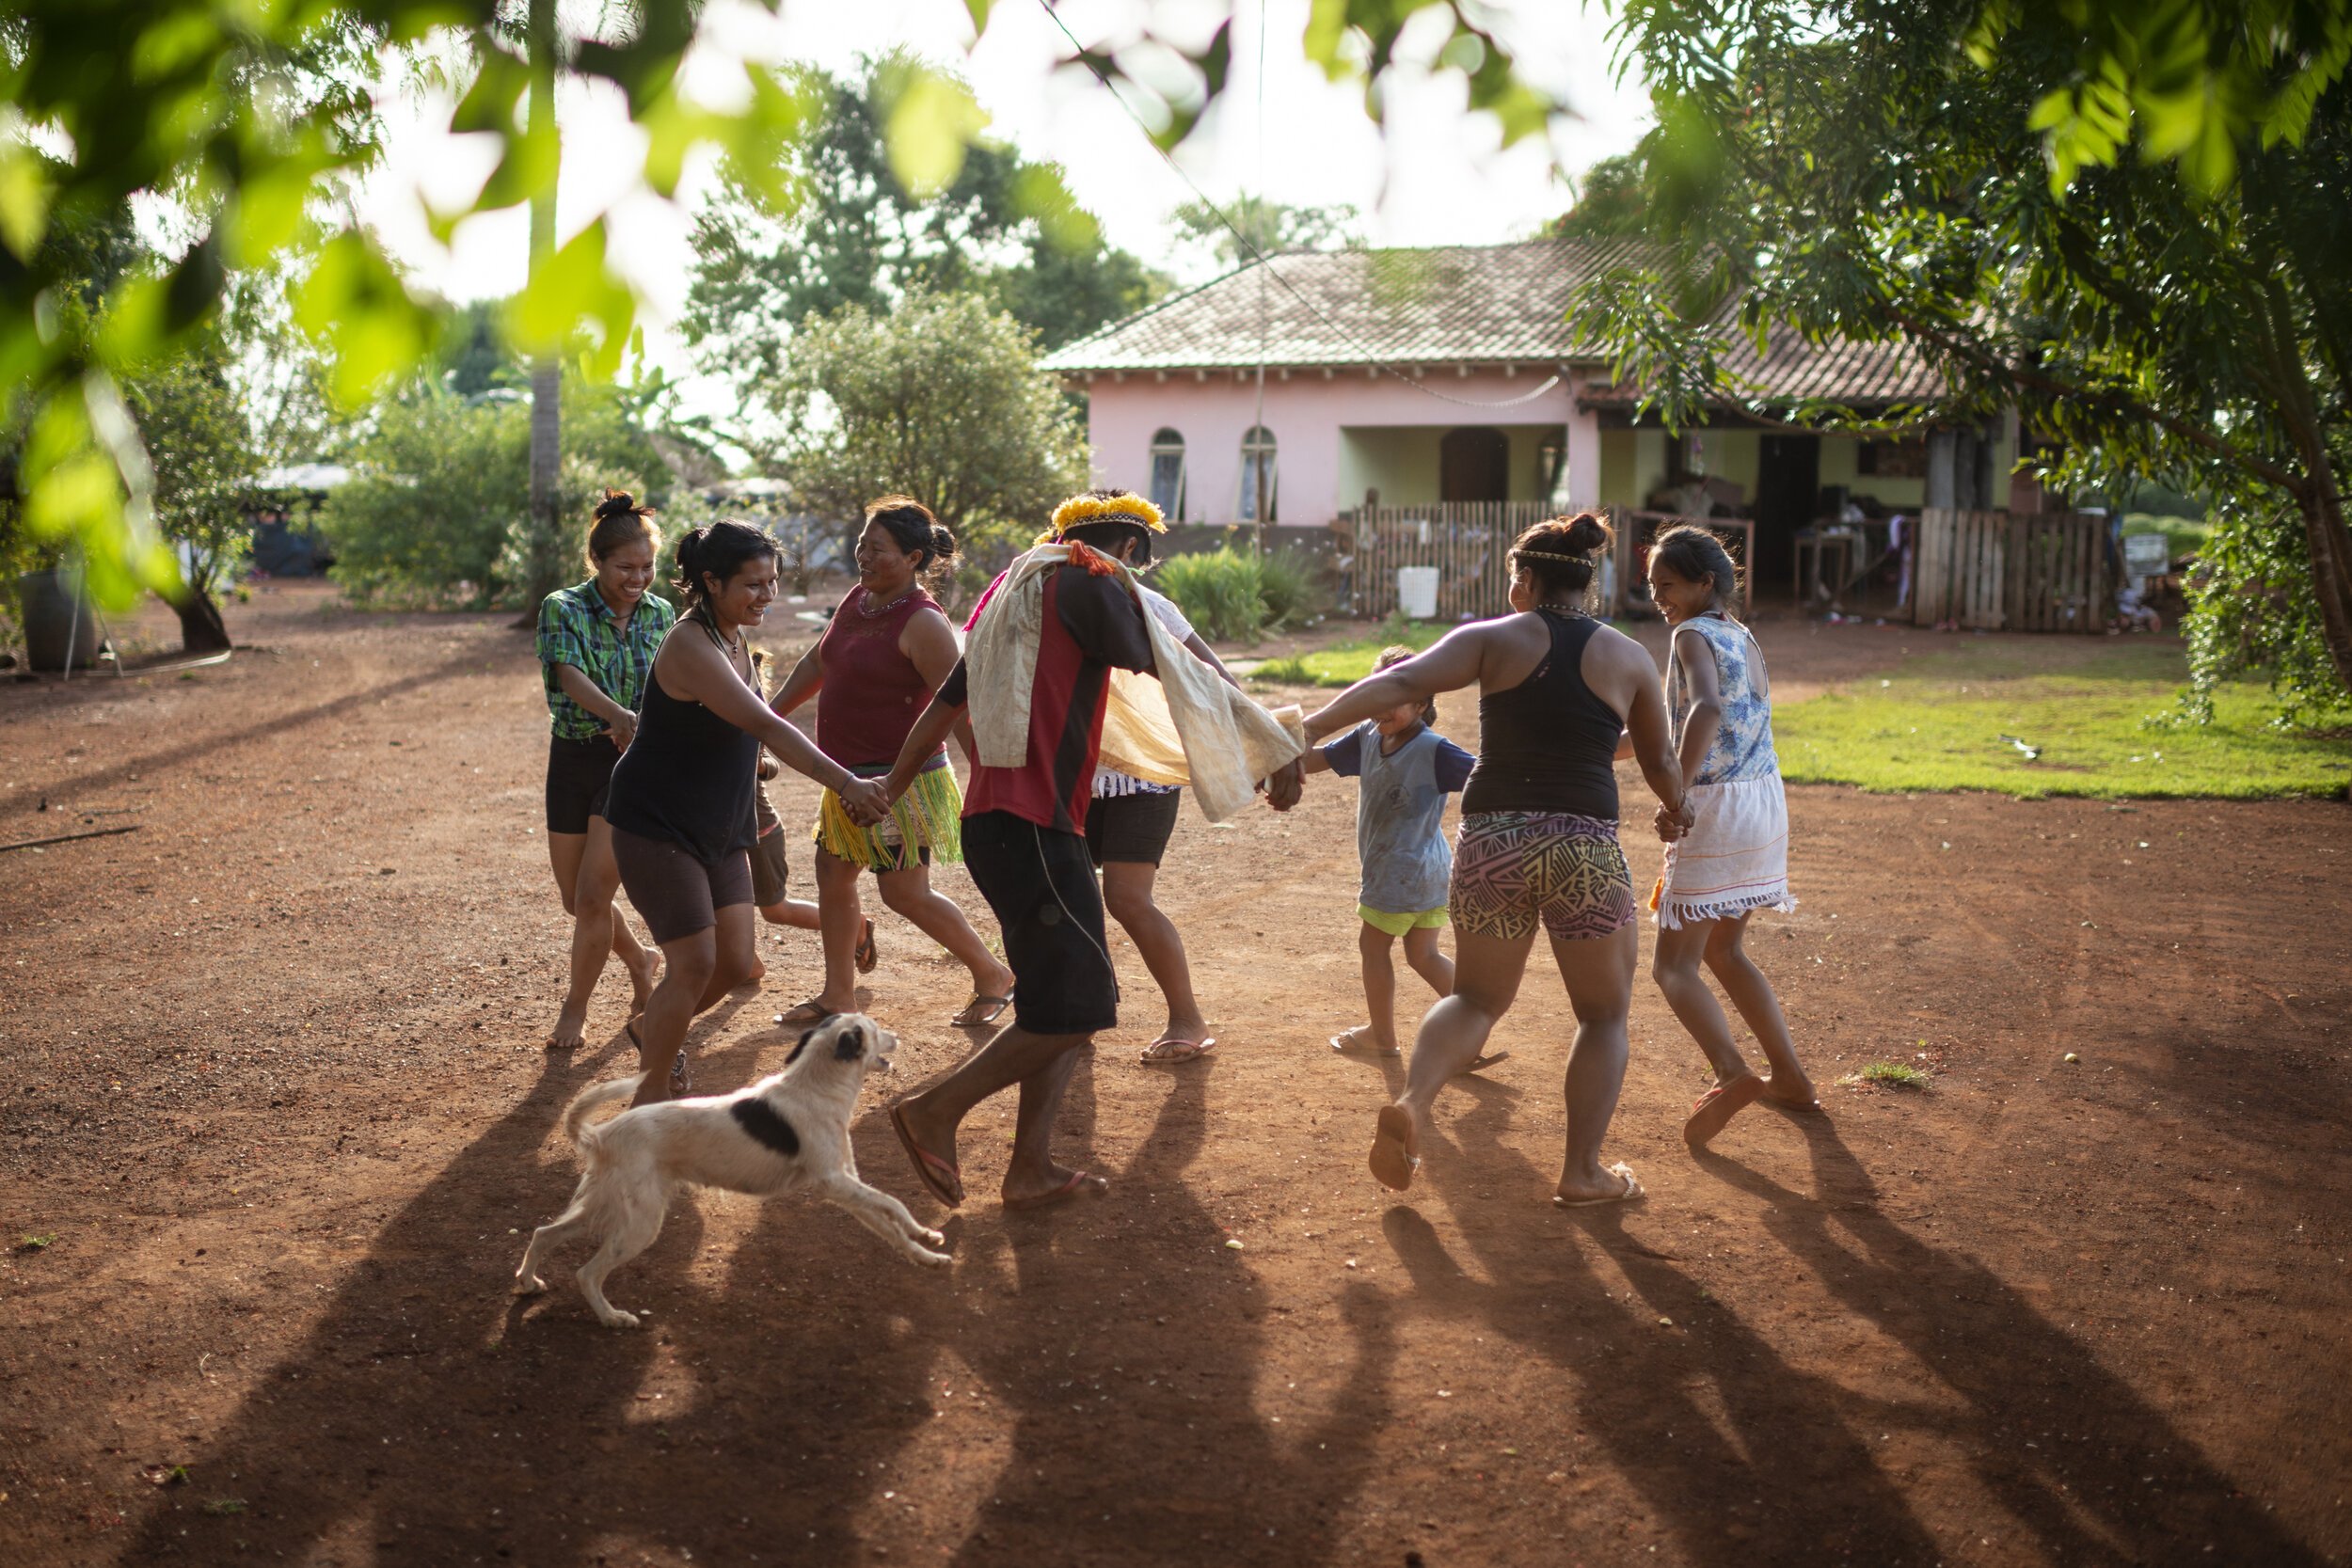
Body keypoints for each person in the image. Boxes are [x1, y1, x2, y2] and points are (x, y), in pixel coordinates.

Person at [878, 490, 1304, 1212]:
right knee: (1078, 1006)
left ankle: (1031, 1168)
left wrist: (888, 786)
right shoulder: (1089, 580)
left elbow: (942, 706)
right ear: (1129, 552)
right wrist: (1274, 745)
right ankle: (934, 1112)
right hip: (1032, 827)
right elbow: (1177, 666)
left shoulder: (1006, 602)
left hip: (1013, 824)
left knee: (1062, 1000)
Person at [1301, 513, 1683, 1207]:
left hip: (1492, 840)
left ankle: (1414, 1101)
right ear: (1585, 583)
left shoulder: (1491, 639)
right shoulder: (1629, 656)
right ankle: (1583, 1172)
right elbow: (1657, 755)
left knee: (1475, 998)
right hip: (1582, 846)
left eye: (1514, 578)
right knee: (1602, 1015)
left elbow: (1395, 684)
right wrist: (1676, 806)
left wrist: (1300, 730)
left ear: (1528, 580)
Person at [602, 519, 890, 1107]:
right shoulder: (690, 643)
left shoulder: (733, 637)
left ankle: (652, 1029)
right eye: (753, 584)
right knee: (694, 962)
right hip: (658, 822)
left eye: (773, 582)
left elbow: (753, 732)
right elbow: (762, 722)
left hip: (721, 823)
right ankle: (649, 1098)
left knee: (733, 963)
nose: (767, 596)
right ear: (710, 581)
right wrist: (845, 782)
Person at [964, 495, 1236, 1064]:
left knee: (1126, 900)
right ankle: (1076, 1011)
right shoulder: (1036, 604)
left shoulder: (1151, 609)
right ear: (1133, 548)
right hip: (1069, 780)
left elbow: (1208, 676)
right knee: (1073, 903)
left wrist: (1256, 742)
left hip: (1139, 783)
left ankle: (1186, 1017)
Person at [766, 498, 1013, 1028]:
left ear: (913, 557)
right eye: (861, 544)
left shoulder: (924, 623)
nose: (863, 556)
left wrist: (988, 786)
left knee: (903, 891)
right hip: (847, 779)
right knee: (833, 875)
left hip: (898, 783)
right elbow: (818, 661)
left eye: (877, 549)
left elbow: (958, 706)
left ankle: (993, 974)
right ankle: (838, 997)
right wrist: (767, 716)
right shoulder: (860, 599)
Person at [1645, 525, 1816, 1148]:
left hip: (1713, 808)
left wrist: (1676, 794)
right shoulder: (1742, 633)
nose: (1659, 598)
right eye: (1653, 587)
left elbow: (1707, 710)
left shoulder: (1690, 633)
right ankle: (1791, 1076)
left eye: (1667, 585)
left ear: (1703, 583)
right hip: (1762, 804)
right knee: (1724, 951)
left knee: (1673, 966)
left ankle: (1732, 1069)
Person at [1305, 644, 1503, 1070]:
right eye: (1374, 694)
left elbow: (1486, 776)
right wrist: (1269, 757)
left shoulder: (1435, 750)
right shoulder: (1369, 736)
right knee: (1423, 954)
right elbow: (1315, 760)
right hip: (1431, 872)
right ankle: (1469, 1031)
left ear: (1422, 701)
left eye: (1393, 698)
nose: (1380, 707)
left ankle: (1381, 1037)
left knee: (1372, 948)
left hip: (1400, 872)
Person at [535, 491, 673, 1052]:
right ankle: (641, 960)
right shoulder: (562, 607)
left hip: (634, 764)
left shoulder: (662, 614)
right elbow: (568, 674)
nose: (638, 578)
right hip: (574, 757)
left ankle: (575, 1008)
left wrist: (640, 729)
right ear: (597, 562)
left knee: (593, 897)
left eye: (647, 567)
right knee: (575, 898)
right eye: (625, 568)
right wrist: (618, 715)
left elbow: (670, 686)